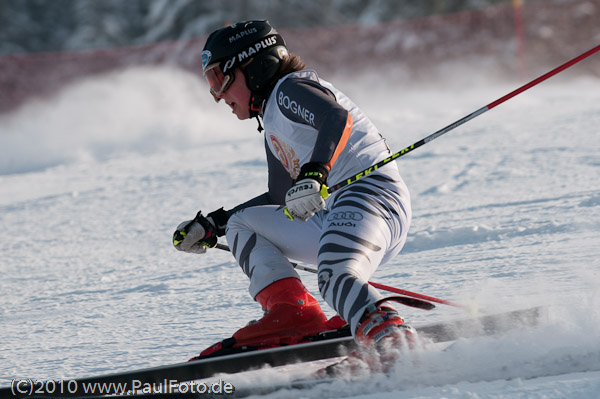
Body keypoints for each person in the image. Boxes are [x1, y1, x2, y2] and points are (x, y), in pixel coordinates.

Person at [173, 20, 414, 358]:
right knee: (245, 223)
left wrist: (315, 173)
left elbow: (335, 118)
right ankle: (294, 315)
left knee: (333, 275)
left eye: (220, 79)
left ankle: (393, 340)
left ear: (256, 66)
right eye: (212, 84)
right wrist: (214, 225)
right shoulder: (272, 117)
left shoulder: (289, 89)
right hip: (337, 214)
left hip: (372, 197)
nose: (219, 96)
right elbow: (278, 198)